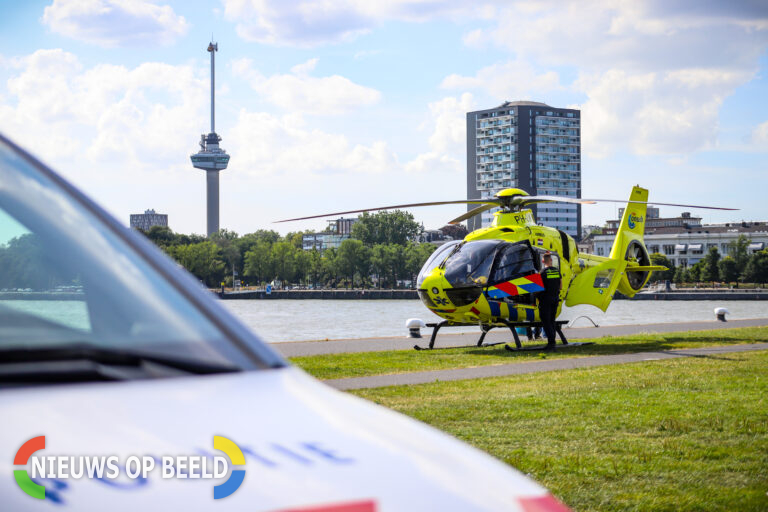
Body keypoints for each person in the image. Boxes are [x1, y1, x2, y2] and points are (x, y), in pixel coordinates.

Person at [538, 252, 561, 349]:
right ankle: (553, 341)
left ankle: (551, 343)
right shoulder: (557, 271)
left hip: (545, 300)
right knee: (552, 320)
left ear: (543, 261)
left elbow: (539, 288)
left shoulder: (542, 273)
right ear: (551, 260)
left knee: (546, 321)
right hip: (555, 299)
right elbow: (560, 286)